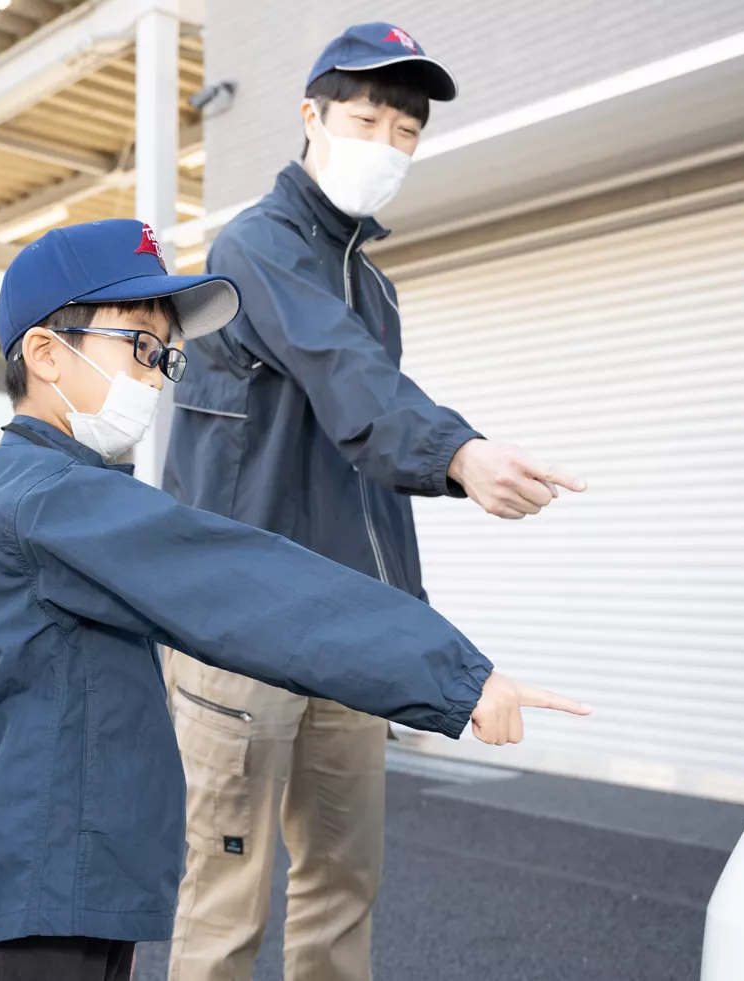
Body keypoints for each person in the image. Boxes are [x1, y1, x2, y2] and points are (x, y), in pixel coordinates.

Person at [0, 218, 590, 981]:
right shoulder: (51, 498)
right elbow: (246, 585)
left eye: (164, 355)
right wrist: (454, 676)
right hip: (34, 894)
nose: (153, 374)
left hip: (48, 884)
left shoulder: (50, 491)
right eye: (138, 344)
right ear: (44, 352)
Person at [161, 22, 589, 981]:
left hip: (346, 625)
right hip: (238, 623)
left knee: (343, 881)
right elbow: (351, 383)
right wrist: (462, 454)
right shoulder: (255, 245)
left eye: (407, 132)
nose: (386, 145)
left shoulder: (374, 283)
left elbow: (360, 465)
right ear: (309, 115)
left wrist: (409, 630)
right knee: (226, 893)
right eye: (365, 120)